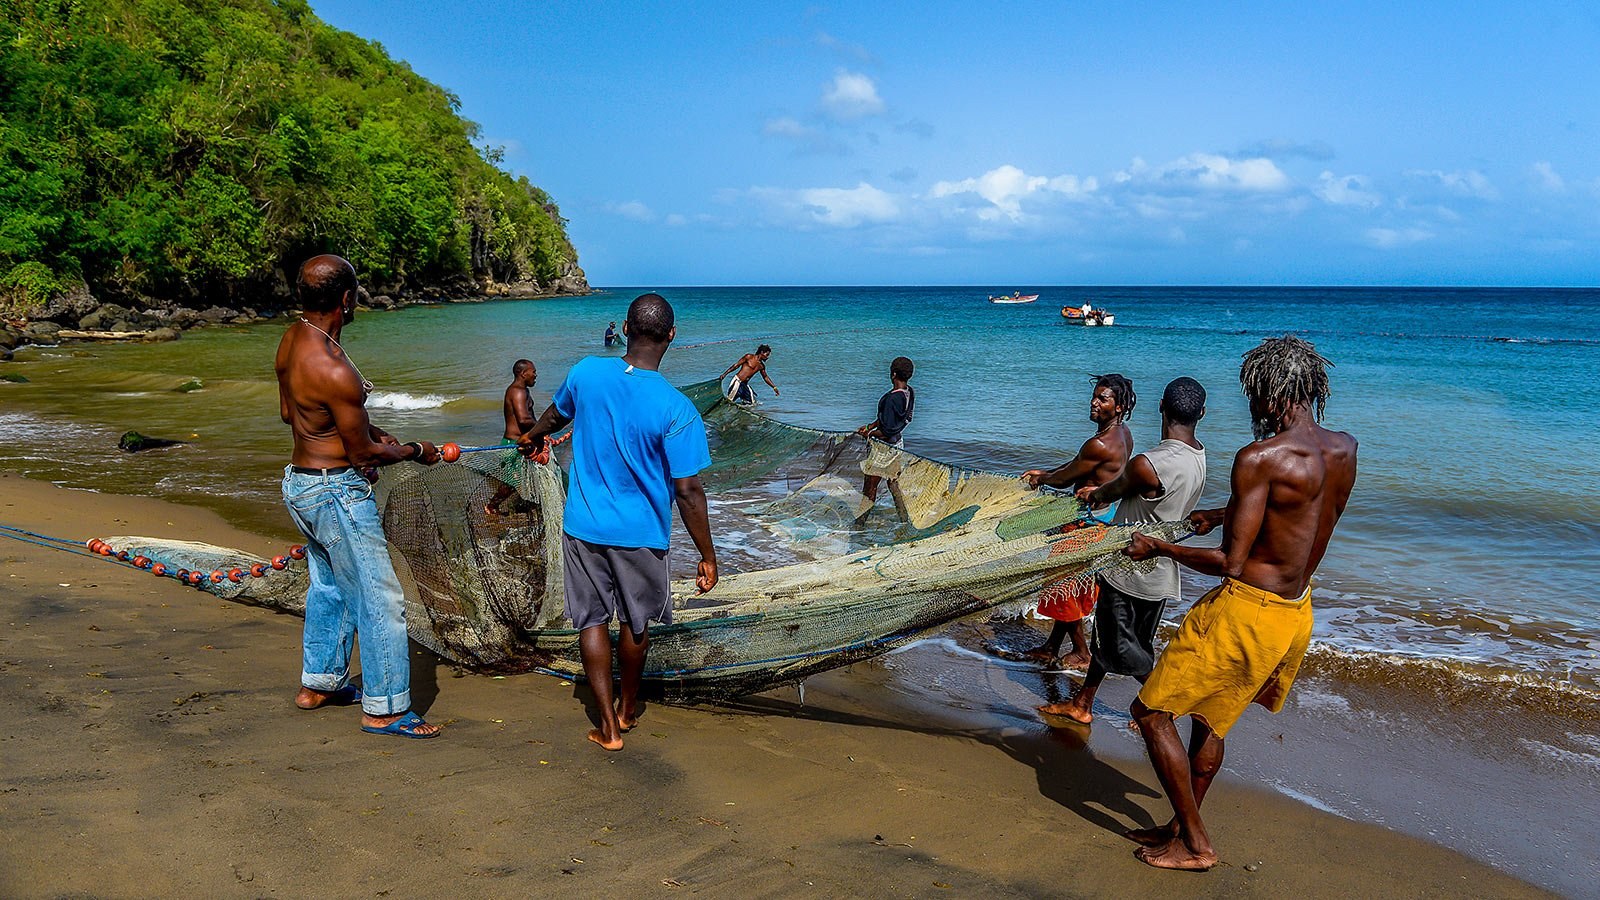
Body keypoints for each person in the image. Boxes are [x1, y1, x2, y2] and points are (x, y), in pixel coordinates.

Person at [1120, 336, 1357, 871]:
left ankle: (1197, 843)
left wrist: (1158, 546)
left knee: (1151, 713)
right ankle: (1179, 827)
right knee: (1210, 721)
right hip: (1294, 613)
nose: (1250, 408)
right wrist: (1222, 512)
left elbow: (1229, 563)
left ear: (1272, 396)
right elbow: (1300, 509)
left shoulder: (1259, 457)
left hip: (1244, 610)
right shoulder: (1344, 448)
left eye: (1254, 397)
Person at [518, 293, 718, 751]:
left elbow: (555, 414)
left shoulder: (586, 372)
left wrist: (532, 436)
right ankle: (628, 709)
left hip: (584, 526)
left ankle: (606, 726)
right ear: (671, 335)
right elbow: (688, 492)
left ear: (625, 329)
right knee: (636, 623)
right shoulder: (677, 408)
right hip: (641, 535)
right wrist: (707, 556)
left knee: (591, 621)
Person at [275, 254, 443, 739]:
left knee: (329, 588)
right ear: (347, 300)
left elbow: (296, 415)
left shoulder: (292, 341)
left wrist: (373, 437)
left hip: (300, 485)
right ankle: (386, 708)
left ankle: (320, 685)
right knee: (380, 597)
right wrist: (415, 449)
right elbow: (359, 448)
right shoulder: (334, 369)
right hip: (335, 494)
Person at [1038, 377, 1208, 724]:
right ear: (1202, 413)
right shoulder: (1199, 456)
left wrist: (1091, 494)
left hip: (1130, 569)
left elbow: (1108, 492)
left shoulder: (1149, 463)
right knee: (1112, 638)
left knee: (1126, 652)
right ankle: (1082, 704)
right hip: (1160, 570)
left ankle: (1165, 702)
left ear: (1161, 406)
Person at [1016, 374, 1136, 671]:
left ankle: (1082, 652)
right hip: (1103, 518)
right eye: (1094, 396)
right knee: (1072, 584)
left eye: (1103, 399)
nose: (1094, 403)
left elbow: (1065, 478)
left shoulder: (1098, 444)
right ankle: (1051, 646)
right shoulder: (1123, 435)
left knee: (1062, 585)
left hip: (1084, 522)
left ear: (1118, 406)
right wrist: (1045, 472)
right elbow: (1076, 466)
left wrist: (1042, 478)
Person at [855, 355, 916, 505]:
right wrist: (870, 426)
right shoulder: (909, 392)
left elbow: (887, 431)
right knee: (893, 484)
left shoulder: (891, 399)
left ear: (893, 374)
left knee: (869, 488)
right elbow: (891, 421)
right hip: (897, 445)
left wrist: (869, 434)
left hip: (883, 449)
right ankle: (903, 521)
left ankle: (859, 525)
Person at [485, 358, 538, 516]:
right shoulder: (518, 391)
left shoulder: (523, 390)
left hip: (519, 444)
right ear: (523, 373)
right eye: (533, 372)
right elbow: (524, 419)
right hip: (513, 445)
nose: (536, 375)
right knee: (511, 481)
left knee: (515, 480)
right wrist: (543, 428)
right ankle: (491, 507)